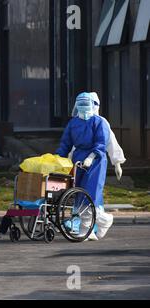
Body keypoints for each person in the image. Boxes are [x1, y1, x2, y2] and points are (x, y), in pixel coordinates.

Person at [57, 92, 112, 240]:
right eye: (80, 105)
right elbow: (65, 143)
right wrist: (57, 159)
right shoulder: (73, 123)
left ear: (93, 105)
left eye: (85, 104)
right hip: (78, 159)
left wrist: (91, 157)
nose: (83, 108)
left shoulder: (99, 122)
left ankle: (86, 228)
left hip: (96, 161)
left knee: (90, 193)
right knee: (78, 193)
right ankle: (102, 221)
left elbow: (101, 143)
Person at [90, 92, 126, 181]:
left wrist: (117, 163)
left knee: (93, 188)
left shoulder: (101, 122)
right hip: (78, 160)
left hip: (96, 160)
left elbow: (111, 141)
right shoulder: (76, 122)